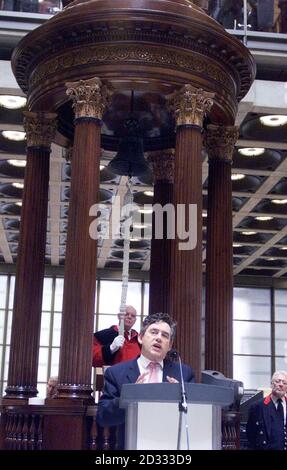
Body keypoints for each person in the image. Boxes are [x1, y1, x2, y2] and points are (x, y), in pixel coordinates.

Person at [97, 312, 195, 449]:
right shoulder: (116, 373)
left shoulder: (183, 374)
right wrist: (130, 399)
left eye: (165, 335)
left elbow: (195, 419)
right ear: (141, 337)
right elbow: (103, 417)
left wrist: (181, 400)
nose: (159, 338)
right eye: (154, 332)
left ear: (170, 345)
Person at [246, 370, 287, 450]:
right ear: (271, 384)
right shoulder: (257, 407)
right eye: (278, 381)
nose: (281, 384)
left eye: (284, 383)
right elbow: (251, 436)